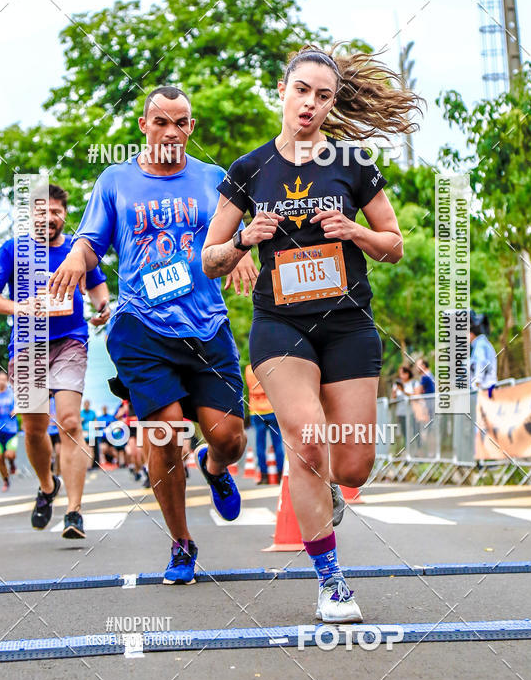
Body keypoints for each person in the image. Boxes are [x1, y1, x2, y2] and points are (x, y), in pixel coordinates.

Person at [202, 44, 422, 622]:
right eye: (303, 90)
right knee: (305, 437)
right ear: (283, 90)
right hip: (281, 325)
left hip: (348, 323)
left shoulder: (352, 163)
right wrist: (246, 240)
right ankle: (330, 581)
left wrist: (355, 230)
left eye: (323, 96)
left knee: (352, 467)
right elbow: (210, 261)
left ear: (331, 103)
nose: (311, 104)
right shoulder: (247, 172)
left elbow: (394, 245)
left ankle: (326, 495)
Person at [49, 86, 257, 584]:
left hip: (206, 326)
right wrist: (78, 258)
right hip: (141, 327)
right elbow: (90, 240)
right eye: (161, 121)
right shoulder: (115, 180)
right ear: (144, 126)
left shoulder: (214, 179)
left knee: (230, 438)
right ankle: (181, 544)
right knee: (163, 435)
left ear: (191, 127)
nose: (171, 131)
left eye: (181, 122)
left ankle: (213, 466)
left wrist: (241, 250)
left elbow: (234, 233)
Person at [0, 183, 110, 539]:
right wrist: (18, 307)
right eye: (41, 211)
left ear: (64, 214)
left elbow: (97, 285)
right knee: (35, 430)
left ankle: (74, 512)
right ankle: (48, 486)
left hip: (70, 340)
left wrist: (102, 307)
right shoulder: (13, 250)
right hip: (27, 346)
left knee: (68, 420)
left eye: (55, 211)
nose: (49, 218)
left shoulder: (77, 250)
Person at [244, 364, 284, 484]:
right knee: (277, 443)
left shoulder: (248, 370)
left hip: (256, 411)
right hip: (271, 409)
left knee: (259, 444)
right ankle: (280, 475)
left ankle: (264, 476)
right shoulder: (268, 366)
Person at [470, 310, 498, 390]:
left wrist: (477, 382)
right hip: (490, 387)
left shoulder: (480, 345)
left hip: (486, 388)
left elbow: (481, 362)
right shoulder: (483, 343)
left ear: (471, 333)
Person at [81, 399, 98, 470]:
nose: (86, 406)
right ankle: (84, 465)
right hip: (83, 434)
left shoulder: (92, 413)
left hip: (91, 433)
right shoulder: (81, 413)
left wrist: (96, 428)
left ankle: (89, 466)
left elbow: (95, 422)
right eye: (85, 404)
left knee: (91, 450)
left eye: (87, 404)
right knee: (85, 450)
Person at [47, 395, 61, 474]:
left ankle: (58, 473)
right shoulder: (43, 400)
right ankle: (50, 473)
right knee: (50, 454)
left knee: (58, 453)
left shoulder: (57, 399)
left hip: (57, 431)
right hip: (48, 431)